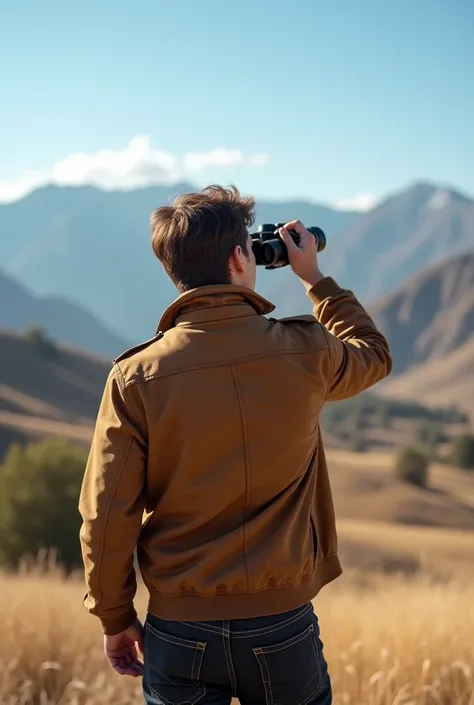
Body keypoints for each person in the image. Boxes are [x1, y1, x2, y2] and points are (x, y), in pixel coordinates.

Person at [79, 185, 392, 705]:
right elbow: (373, 354)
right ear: (240, 256)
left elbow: (106, 513)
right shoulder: (306, 349)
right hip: (281, 624)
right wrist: (314, 278)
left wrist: (115, 616)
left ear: (171, 270)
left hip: (177, 627)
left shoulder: (135, 377)